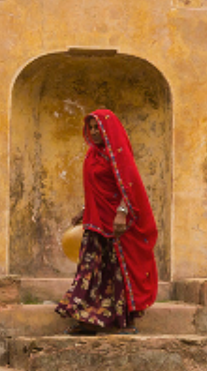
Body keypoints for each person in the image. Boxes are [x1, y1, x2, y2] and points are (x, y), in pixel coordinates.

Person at [55, 109, 159, 335]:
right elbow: (95, 188)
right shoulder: (92, 155)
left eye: (98, 127)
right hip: (95, 222)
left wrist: (121, 213)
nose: (94, 132)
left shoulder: (118, 154)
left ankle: (124, 322)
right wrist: (84, 210)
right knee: (91, 270)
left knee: (118, 270)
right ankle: (88, 321)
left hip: (116, 225)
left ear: (108, 129)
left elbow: (128, 185)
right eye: (91, 127)